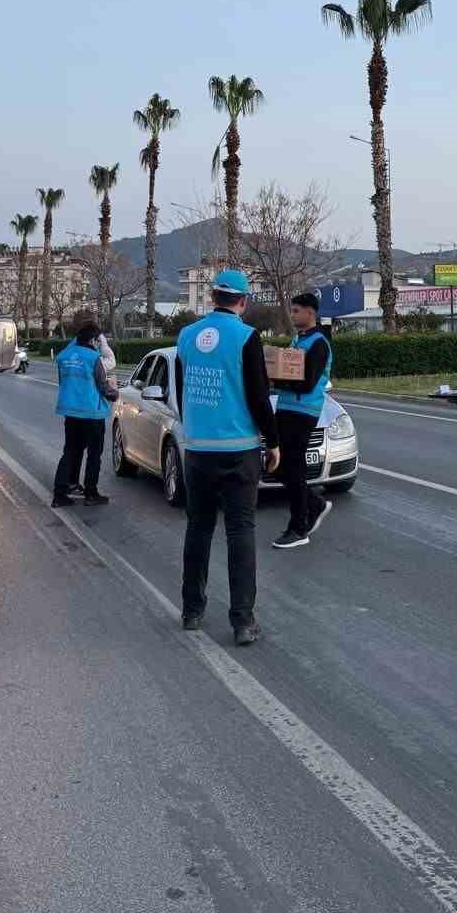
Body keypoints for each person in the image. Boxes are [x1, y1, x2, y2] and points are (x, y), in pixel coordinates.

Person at [175, 268, 279, 645]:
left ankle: (192, 611)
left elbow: (183, 389)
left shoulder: (186, 336)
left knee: (198, 528)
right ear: (243, 301)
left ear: (212, 297)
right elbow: (258, 396)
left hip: (198, 449)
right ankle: (242, 622)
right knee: (240, 531)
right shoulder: (247, 337)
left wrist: (195, 427)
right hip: (239, 449)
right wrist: (274, 442)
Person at [267, 292, 333, 549]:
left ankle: (298, 528)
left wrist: (276, 380)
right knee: (276, 465)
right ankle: (314, 504)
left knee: (293, 468)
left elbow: (307, 383)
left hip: (303, 412)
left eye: (296, 311)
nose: (292, 315)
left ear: (310, 313)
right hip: (285, 408)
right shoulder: (298, 340)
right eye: (291, 310)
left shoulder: (319, 343)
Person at [52, 321, 118, 508]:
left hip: (70, 412)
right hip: (92, 413)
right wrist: (114, 394)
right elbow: (102, 386)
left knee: (70, 452)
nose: (98, 343)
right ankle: (91, 493)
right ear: (93, 339)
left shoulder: (64, 356)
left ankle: (60, 494)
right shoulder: (93, 357)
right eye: (97, 340)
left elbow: (62, 381)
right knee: (94, 454)